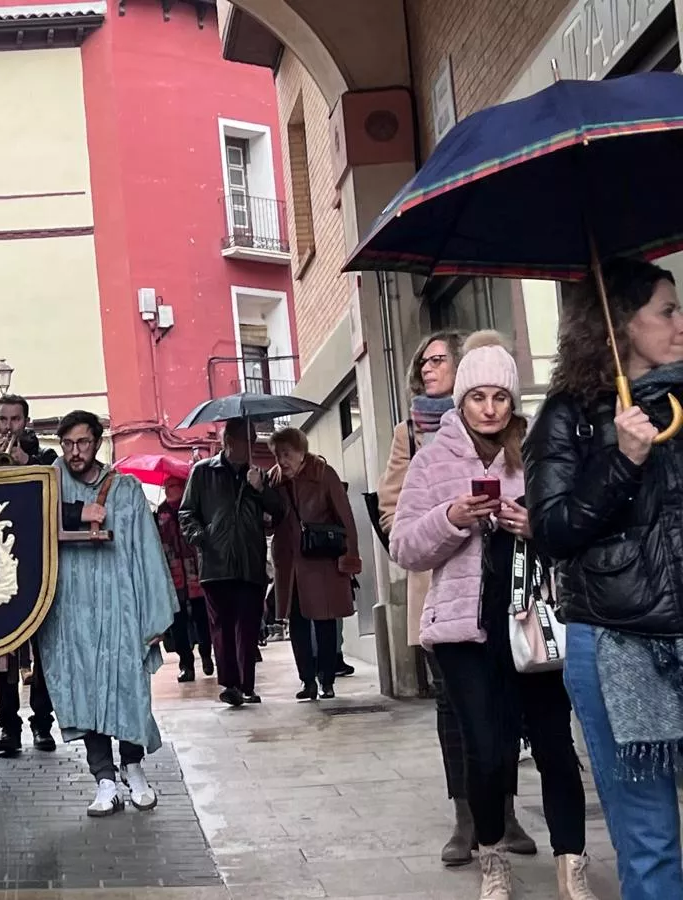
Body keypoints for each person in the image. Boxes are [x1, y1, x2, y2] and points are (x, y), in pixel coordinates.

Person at [391, 334, 591, 900]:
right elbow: (404, 546)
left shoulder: (535, 456)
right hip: (464, 633)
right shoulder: (431, 460)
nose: (488, 408)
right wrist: (453, 517)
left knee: (555, 746)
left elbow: (573, 532)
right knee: (485, 748)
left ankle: (572, 865)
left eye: (499, 396)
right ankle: (492, 858)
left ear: (512, 401)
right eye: (476, 396)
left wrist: (535, 528)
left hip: (534, 623)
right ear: (460, 399)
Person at [527, 258, 683, 900]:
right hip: (618, 642)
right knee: (649, 840)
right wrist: (623, 461)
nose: (680, 324)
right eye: (667, 312)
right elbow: (553, 530)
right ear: (621, 324)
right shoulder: (569, 417)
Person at [377, 330, 535, 865]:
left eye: (439, 359)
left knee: (506, 715)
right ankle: (468, 817)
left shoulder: (525, 450)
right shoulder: (417, 438)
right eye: (423, 361)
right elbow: (395, 521)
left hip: (514, 602)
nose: (428, 368)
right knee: (458, 712)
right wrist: (449, 519)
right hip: (446, 594)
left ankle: (504, 811)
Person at [38, 410, 177, 816]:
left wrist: (152, 613)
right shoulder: (47, 486)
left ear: (97, 442)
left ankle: (133, 769)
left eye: (82, 443)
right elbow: (28, 521)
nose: (74, 452)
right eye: (67, 444)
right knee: (84, 693)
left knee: (127, 688)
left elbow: (148, 551)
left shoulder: (127, 490)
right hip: (69, 612)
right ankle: (103, 779)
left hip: (120, 606)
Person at [0, 396, 58, 754]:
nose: (9, 426)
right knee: (4, 653)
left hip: (39, 563)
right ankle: (9, 727)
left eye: (16, 419)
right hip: (0, 567)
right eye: (3, 419)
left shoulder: (48, 458)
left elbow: (58, 486)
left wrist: (29, 464)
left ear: (27, 421)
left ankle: (42, 723)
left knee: (43, 651)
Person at [179, 418, 283, 707]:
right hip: (216, 565)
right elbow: (186, 514)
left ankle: (247, 685)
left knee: (248, 626)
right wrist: (203, 538)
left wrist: (261, 489)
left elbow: (279, 512)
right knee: (221, 628)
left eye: (253, 439)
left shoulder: (258, 474)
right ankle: (230, 684)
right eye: (246, 440)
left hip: (250, 562)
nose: (252, 446)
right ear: (228, 443)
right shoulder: (202, 473)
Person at [266, 428, 361, 701]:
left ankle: (327, 679)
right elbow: (270, 524)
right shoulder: (273, 480)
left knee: (325, 619)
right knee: (297, 622)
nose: (282, 460)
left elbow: (345, 517)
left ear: (300, 451)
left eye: (287, 454)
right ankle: (307, 680)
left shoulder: (322, 473)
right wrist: (260, 494)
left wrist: (349, 557)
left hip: (321, 560)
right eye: (277, 454)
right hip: (290, 563)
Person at [156, 476, 212, 683]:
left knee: (202, 618)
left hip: (194, 572)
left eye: (173, 486)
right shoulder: (161, 512)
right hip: (173, 575)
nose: (169, 490)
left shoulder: (191, 507)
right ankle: (185, 664)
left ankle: (206, 653)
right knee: (177, 623)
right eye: (167, 486)